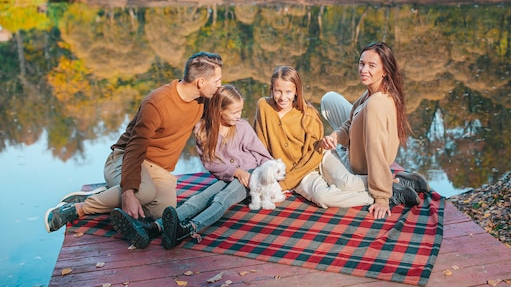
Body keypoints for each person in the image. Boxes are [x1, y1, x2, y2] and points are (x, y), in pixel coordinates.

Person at [44, 52, 223, 235]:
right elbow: (134, 149)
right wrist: (128, 192)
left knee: (161, 212)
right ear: (201, 82)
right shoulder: (157, 103)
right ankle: (78, 208)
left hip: (158, 170)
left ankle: (107, 195)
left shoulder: (203, 100)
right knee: (143, 192)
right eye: (217, 81)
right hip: (125, 158)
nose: (220, 85)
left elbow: (226, 111)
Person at [110, 85, 274, 249]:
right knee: (200, 198)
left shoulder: (242, 126)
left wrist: (264, 177)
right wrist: (235, 171)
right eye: (234, 112)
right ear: (219, 110)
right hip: (230, 175)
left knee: (221, 199)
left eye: (241, 111)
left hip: (252, 175)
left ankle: (190, 228)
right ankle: (153, 228)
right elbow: (210, 163)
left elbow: (263, 155)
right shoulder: (203, 130)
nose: (239, 116)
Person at [299, 42, 430, 219]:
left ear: (385, 71)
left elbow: (375, 148)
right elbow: (350, 121)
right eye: (362, 63)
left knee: (332, 172)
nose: (363, 69)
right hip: (360, 140)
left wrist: (382, 197)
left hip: (362, 164)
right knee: (329, 99)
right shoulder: (374, 90)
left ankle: (389, 184)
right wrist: (335, 136)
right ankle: (395, 180)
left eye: (371, 66)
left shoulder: (377, 102)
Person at [253, 66, 325, 200]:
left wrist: (285, 184)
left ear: (296, 91)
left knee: (324, 197)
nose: (283, 97)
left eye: (288, 92)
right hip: (275, 174)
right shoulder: (264, 107)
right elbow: (259, 145)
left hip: (304, 173)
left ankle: (368, 195)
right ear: (272, 89)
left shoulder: (308, 116)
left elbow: (313, 156)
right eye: (278, 91)